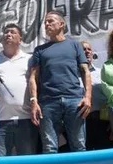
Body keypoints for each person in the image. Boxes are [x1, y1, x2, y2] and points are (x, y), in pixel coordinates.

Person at [28, 11, 92, 153]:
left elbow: (85, 72)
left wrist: (87, 97)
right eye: (45, 22)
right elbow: (33, 77)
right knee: (49, 147)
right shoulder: (39, 50)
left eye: (50, 21)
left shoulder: (75, 46)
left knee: (79, 145)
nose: (47, 24)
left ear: (61, 24)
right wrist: (34, 101)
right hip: (48, 102)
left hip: (74, 100)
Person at [0, 23, 36, 156]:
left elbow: (35, 84)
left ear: (20, 39)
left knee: (27, 162)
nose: (8, 34)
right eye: (6, 32)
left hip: (25, 119)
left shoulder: (29, 59)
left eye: (13, 32)